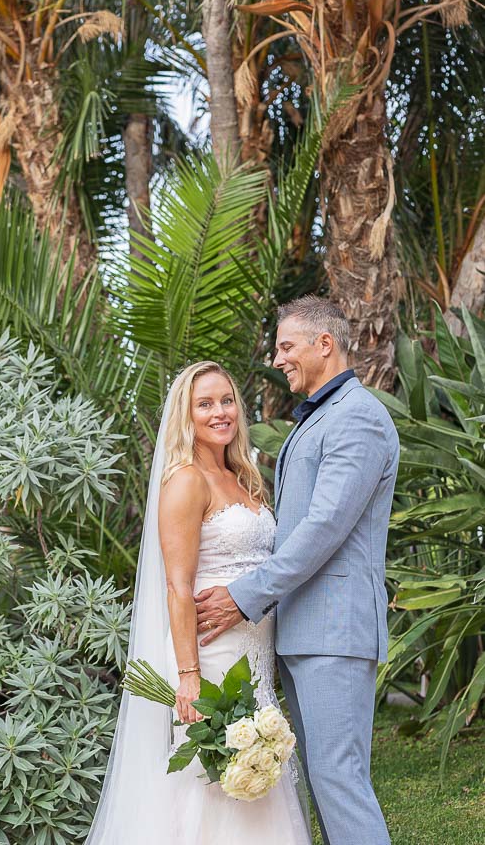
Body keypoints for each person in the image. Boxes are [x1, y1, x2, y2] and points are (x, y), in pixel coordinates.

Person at [196, 295, 400, 845]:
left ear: (324, 344)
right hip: (306, 630)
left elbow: (323, 529)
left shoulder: (358, 417)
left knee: (339, 778)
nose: (278, 356)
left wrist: (245, 594)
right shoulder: (320, 417)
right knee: (320, 779)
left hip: (335, 631)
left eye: (287, 346)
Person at [86, 360, 311, 845]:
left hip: (253, 656)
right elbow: (176, 585)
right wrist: (187, 675)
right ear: (186, 416)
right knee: (210, 784)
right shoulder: (186, 480)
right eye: (204, 404)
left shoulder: (243, 477)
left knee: (254, 776)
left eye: (226, 400)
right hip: (209, 656)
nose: (220, 412)